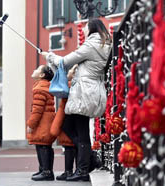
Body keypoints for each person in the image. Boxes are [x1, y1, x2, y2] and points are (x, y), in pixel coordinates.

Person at [42, 18, 111, 181]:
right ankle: (90, 159)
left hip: (84, 92)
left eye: (86, 27)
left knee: (81, 130)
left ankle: (82, 170)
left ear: (92, 28)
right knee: (69, 124)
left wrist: (49, 56)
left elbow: (64, 62)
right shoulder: (105, 45)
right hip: (93, 90)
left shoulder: (90, 45)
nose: (84, 30)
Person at [26, 65, 56, 181]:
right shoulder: (45, 87)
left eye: (37, 69)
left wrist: (30, 124)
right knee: (44, 145)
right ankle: (44, 169)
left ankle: (46, 172)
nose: (34, 70)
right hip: (47, 121)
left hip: (43, 122)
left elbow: (37, 110)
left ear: (42, 75)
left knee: (43, 145)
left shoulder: (40, 88)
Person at [50, 64, 78, 181]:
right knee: (70, 146)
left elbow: (64, 103)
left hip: (68, 117)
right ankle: (70, 171)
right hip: (70, 116)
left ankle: (68, 172)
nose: (68, 73)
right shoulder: (73, 85)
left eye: (71, 71)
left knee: (69, 146)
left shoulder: (71, 85)